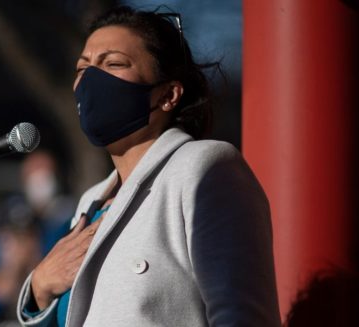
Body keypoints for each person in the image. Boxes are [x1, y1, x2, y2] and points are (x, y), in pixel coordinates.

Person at [16, 5, 281, 327]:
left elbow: (241, 316)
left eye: (113, 63)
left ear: (168, 94)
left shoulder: (205, 167)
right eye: (82, 68)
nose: (90, 80)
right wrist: (41, 287)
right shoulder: (92, 201)